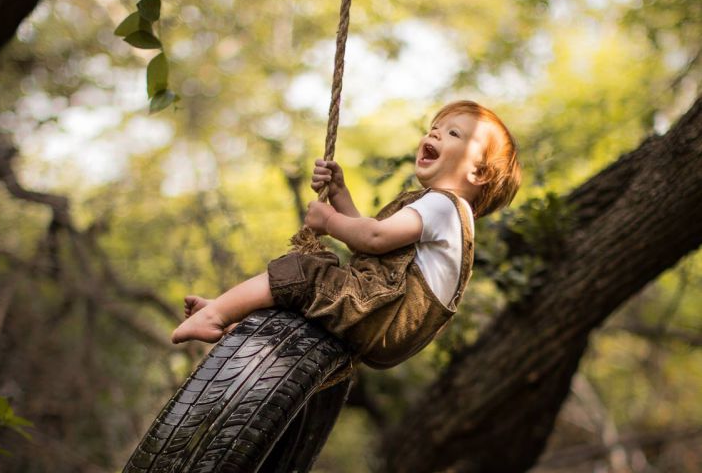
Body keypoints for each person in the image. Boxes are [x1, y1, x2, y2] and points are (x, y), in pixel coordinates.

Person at [171, 100, 521, 369]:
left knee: (304, 273)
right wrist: (340, 195)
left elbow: (372, 239)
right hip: (385, 324)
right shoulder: (444, 214)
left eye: (453, 133)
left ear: (478, 172)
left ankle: (216, 314)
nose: (433, 134)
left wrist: (327, 221)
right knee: (320, 276)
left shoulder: (444, 206)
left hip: (385, 319)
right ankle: (236, 321)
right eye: (434, 127)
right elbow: (373, 246)